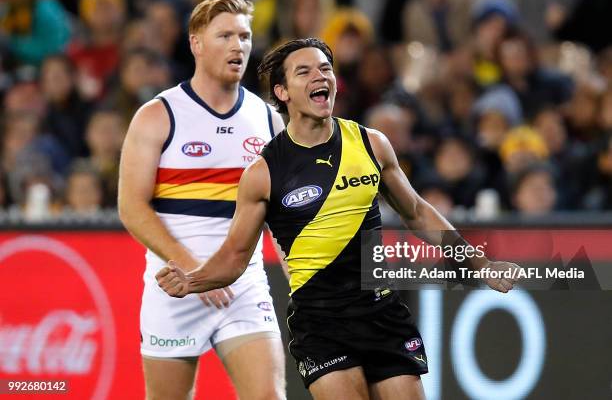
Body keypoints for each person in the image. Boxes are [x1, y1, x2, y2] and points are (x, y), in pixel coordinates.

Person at [155, 38, 521, 399]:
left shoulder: (371, 143)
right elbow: (235, 256)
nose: (320, 77)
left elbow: (417, 212)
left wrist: (480, 264)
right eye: (305, 71)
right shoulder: (263, 173)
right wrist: (192, 280)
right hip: (320, 323)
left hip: (381, 313)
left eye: (325, 68)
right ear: (282, 92)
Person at [118, 0, 286, 400]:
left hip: (243, 286)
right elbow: (131, 207)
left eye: (244, 36)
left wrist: (304, 277)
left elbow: (283, 214)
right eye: (225, 35)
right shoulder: (158, 115)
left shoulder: (268, 119)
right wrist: (194, 270)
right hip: (176, 285)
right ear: (196, 43)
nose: (238, 46)